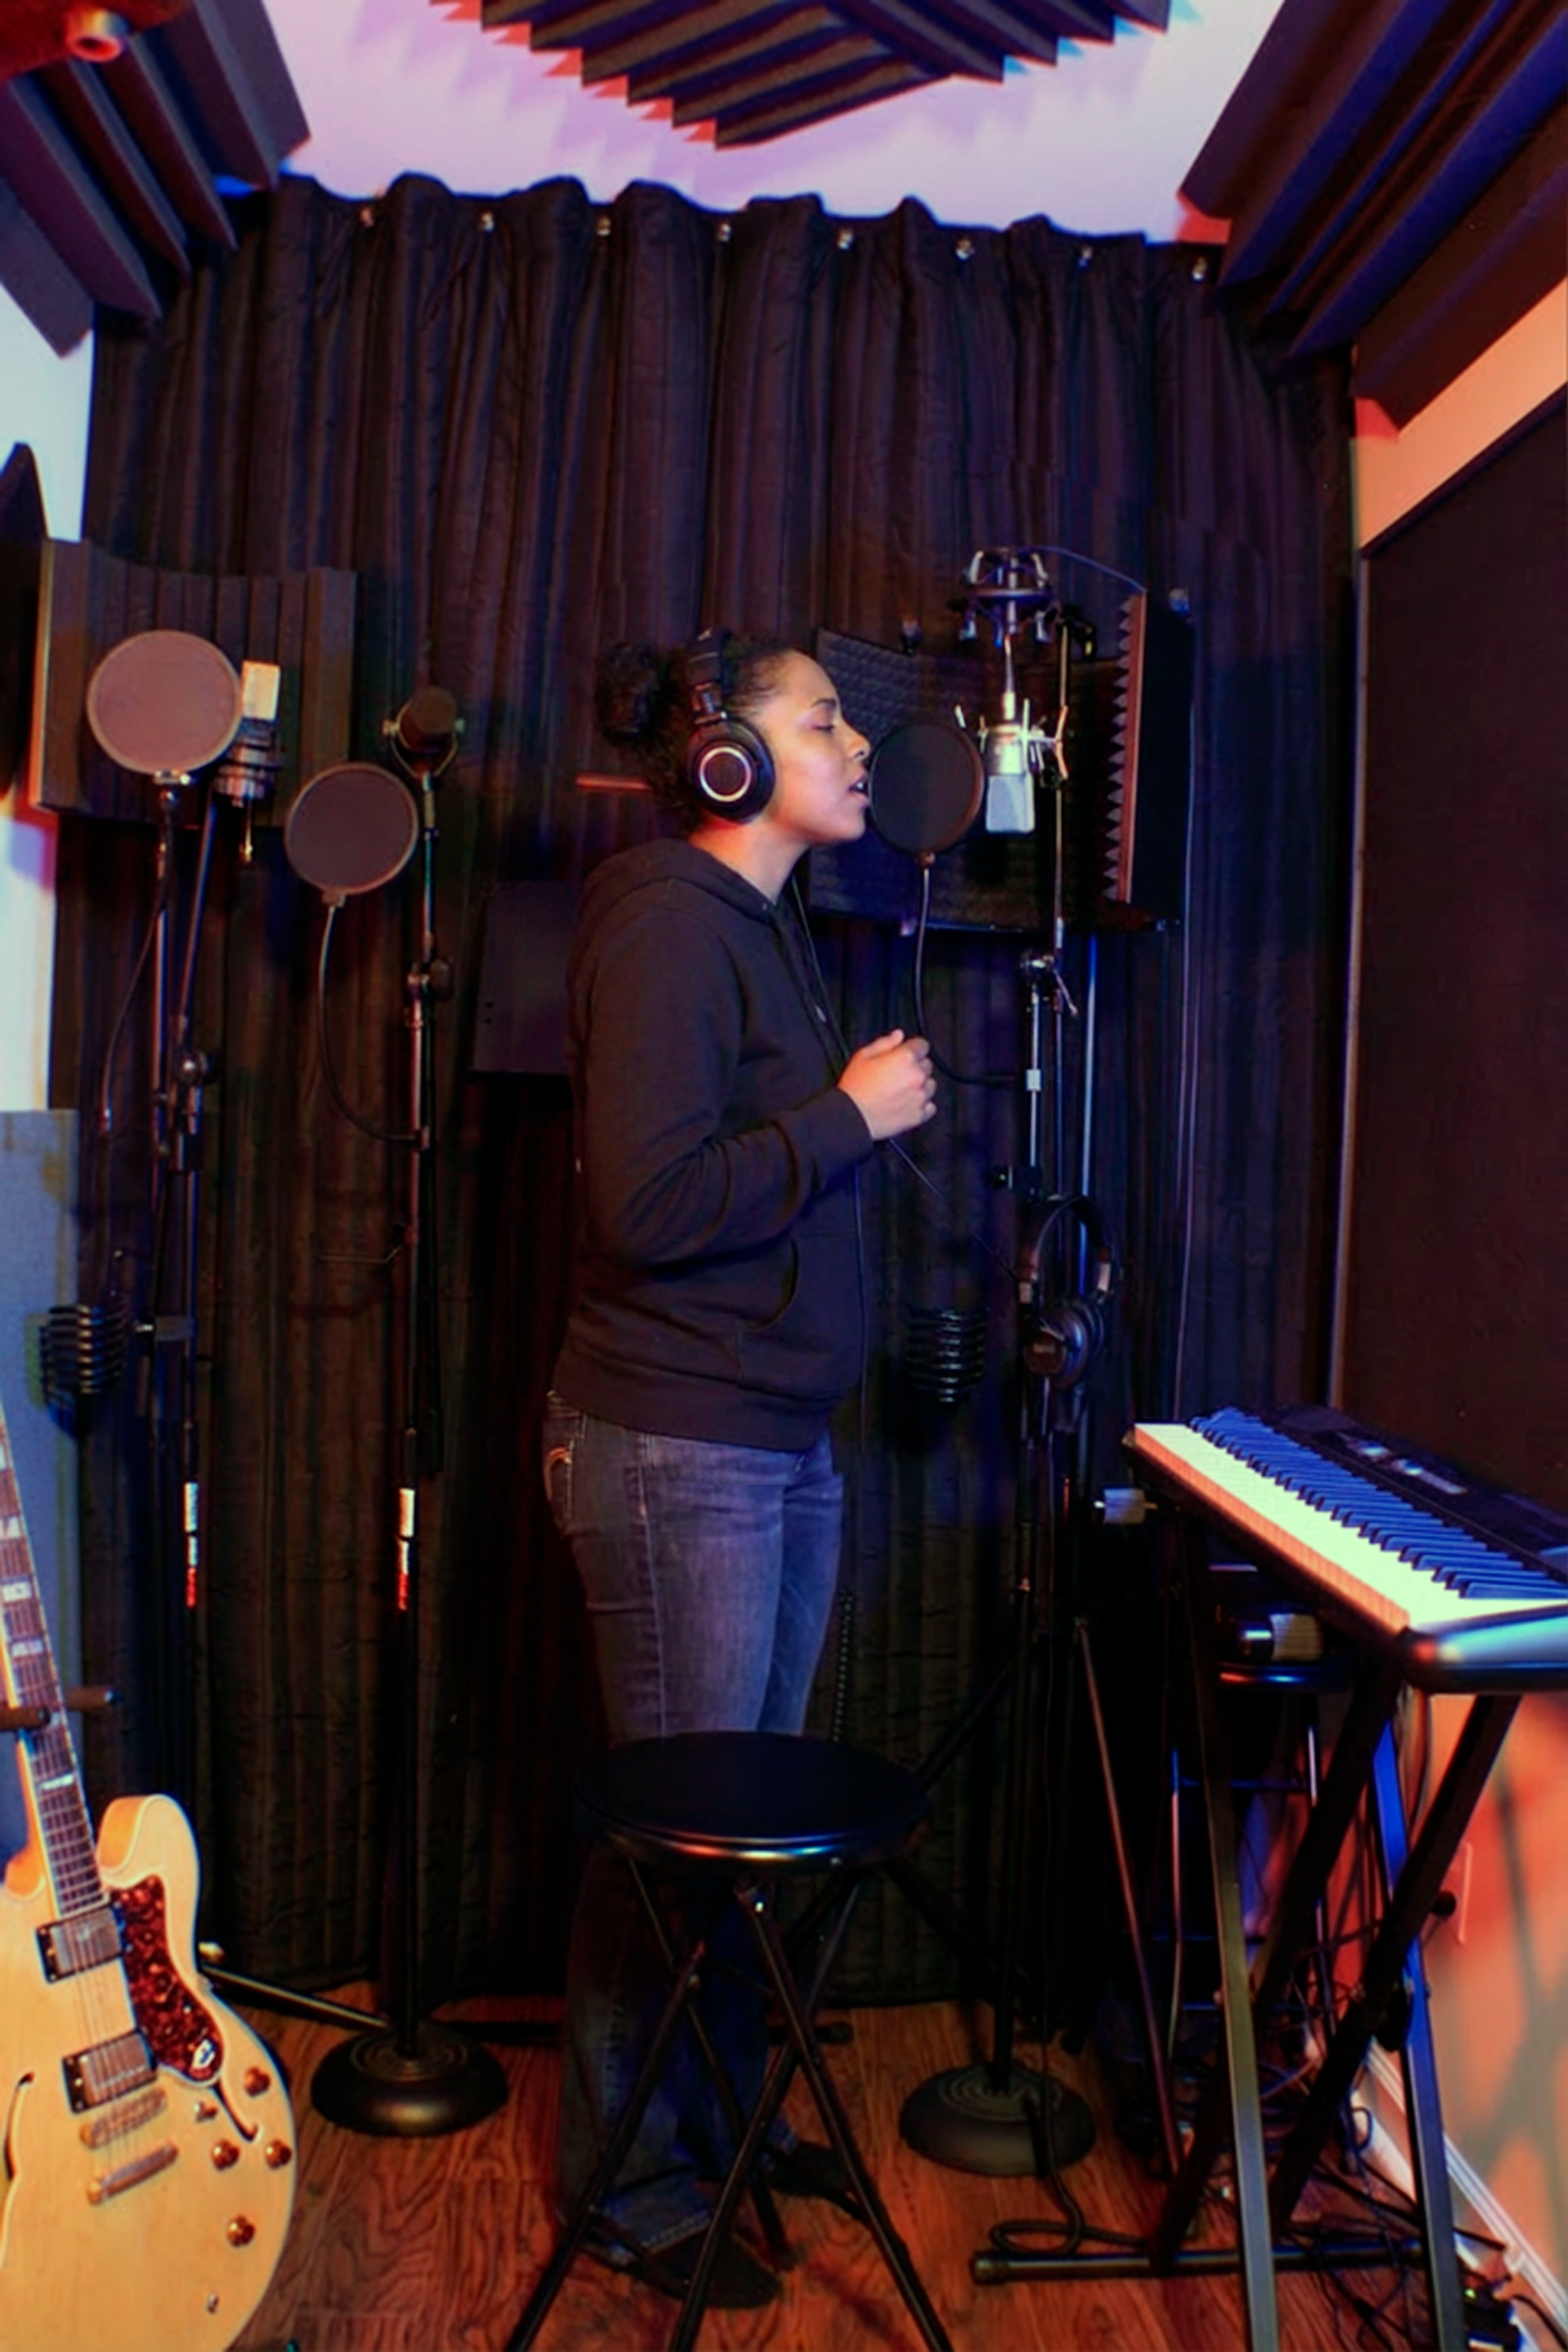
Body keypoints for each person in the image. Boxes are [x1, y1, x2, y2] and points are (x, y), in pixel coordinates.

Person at [541, 629, 938, 2306]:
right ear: (724, 760)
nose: (855, 742)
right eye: (819, 717)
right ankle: (627, 2182)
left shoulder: (767, 935)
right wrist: (846, 1118)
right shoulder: (659, 918)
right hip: (672, 1444)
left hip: (769, 1445)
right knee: (681, 1833)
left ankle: (703, 2116)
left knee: (743, 1832)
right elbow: (647, 1204)